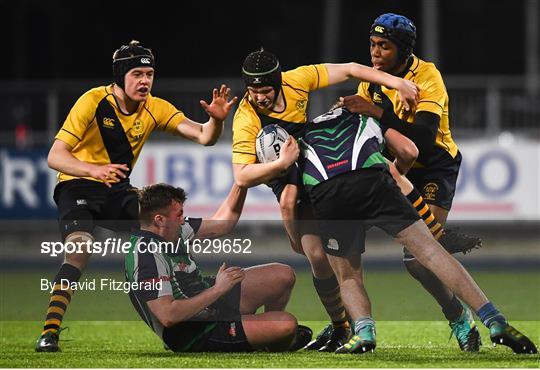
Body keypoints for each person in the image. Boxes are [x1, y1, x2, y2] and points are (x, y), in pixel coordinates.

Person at [35, 40, 238, 352]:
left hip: (117, 190)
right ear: (120, 76)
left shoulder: (155, 107)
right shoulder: (93, 101)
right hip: (78, 184)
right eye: (137, 74)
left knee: (166, 229)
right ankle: (49, 332)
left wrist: (217, 120)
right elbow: (55, 156)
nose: (145, 81)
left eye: (150, 73)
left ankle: (192, 303)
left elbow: (203, 136)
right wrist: (94, 170)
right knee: (80, 249)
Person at [299, 106, 537, 355]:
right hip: (375, 182)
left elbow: (291, 198)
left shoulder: (304, 134)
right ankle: (494, 319)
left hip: (329, 192)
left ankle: (364, 332)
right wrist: (394, 180)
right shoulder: (364, 117)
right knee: (430, 252)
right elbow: (409, 151)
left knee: (348, 276)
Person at [232, 49, 420, 351]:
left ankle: (348, 324)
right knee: (317, 257)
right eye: (254, 91)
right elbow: (242, 176)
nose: (260, 98)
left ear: (278, 83)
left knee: (342, 248)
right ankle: (340, 326)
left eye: (266, 90)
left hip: (313, 162)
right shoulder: (245, 118)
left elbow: (349, 69)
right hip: (283, 174)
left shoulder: (297, 79)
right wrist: (280, 165)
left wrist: (394, 83)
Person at [341, 13, 484, 351]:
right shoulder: (371, 81)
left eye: (384, 47)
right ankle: (347, 325)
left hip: (433, 167)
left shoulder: (426, 75)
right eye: (373, 45)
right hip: (394, 165)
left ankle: (460, 318)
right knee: (343, 240)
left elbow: (422, 136)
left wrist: (376, 113)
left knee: (418, 260)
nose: (375, 53)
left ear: (403, 51)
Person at [125, 183, 311, 352]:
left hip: (206, 298)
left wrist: (242, 182)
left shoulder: (174, 228)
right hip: (190, 330)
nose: (183, 219)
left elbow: (224, 223)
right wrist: (218, 289)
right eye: (179, 214)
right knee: (286, 324)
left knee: (282, 275)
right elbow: (168, 316)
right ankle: (267, 336)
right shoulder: (146, 255)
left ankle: (264, 337)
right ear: (159, 220)